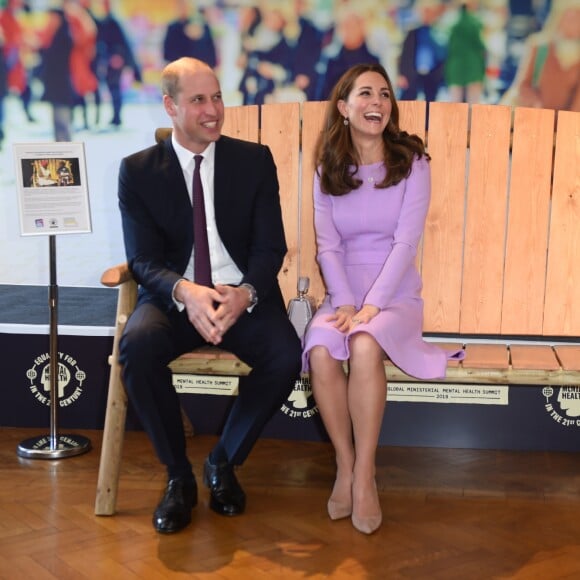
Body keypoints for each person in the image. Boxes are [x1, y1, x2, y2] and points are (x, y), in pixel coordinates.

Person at [117, 56, 302, 534]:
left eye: (217, 96)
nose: (213, 110)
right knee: (137, 346)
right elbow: (142, 261)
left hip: (240, 296)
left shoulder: (254, 160)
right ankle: (179, 477)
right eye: (198, 99)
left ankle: (222, 462)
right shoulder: (137, 171)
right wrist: (185, 292)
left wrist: (246, 294)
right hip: (175, 298)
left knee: (285, 356)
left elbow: (270, 246)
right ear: (170, 107)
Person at [302, 63, 464, 535]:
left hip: (394, 296)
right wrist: (348, 304)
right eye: (366, 94)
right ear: (344, 107)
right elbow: (327, 246)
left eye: (385, 95)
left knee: (366, 343)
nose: (377, 102)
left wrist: (372, 306)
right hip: (342, 294)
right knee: (320, 348)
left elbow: (406, 243)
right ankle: (345, 465)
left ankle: (367, 473)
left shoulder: (412, 162)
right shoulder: (327, 168)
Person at [500, 1, 580, 111]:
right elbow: (522, 85)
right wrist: (537, 105)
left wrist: (567, 123)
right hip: (533, 118)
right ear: (558, 17)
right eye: (570, 17)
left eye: (578, 18)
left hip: (563, 123)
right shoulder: (539, 46)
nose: (574, 22)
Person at [444, 1, 487, 104]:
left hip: (455, 67)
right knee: (473, 102)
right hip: (473, 67)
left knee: (455, 102)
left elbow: (446, 46)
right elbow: (481, 45)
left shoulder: (451, 23)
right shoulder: (475, 23)